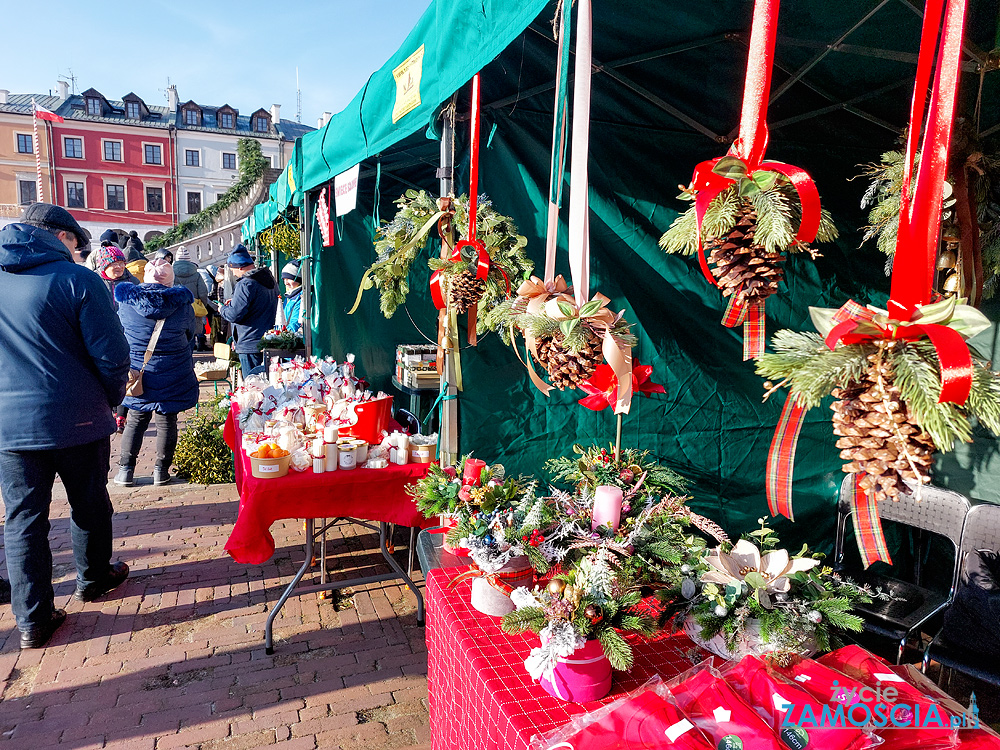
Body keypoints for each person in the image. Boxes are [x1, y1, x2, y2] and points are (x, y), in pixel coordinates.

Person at [0, 203, 130, 649]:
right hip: (76, 416)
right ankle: (92, 579)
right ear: (61, 237)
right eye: (76, 240)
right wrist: (111, 400)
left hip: (10, 426)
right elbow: (112, 356)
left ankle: (32, 620)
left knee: (22, 521)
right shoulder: (78, 279)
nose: (78, 249)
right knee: (89, 503)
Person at [113, 259, 198, 487]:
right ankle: (161, 471)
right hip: (173, 370)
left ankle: (125, 471)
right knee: (167, 420)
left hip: (138, 372)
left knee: (136, 419)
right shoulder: (183, 305)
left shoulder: (127, 304)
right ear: (170, 280)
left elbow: (120, 334)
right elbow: (191, 334)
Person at [219, 245, 278, 377]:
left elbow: (234, 315)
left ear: (240, 267)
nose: (233, 273)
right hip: (266, 339)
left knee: (253, 386)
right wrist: (234, 303)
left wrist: (222, 309)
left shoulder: (245, 284)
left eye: (233, 269)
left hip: (249, 341)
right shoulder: (270, 280)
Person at [173, 246, 218, 351]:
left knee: (179, 335)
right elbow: (203, 293)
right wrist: (203, 304)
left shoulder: (171, 272)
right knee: (192, 334)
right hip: (193, 308)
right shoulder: (196, 274)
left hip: (176, 308)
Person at [93, 244, 139, 310]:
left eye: (121, 263)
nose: (119, 267)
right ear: (104, 266)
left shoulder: (132, 281)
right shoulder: (94, 281)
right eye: (115, 264)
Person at [280, 260, 303, 334]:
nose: (286, 283)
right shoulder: (289, 297)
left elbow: (296, 323)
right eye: (284, 279)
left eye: (289, 279)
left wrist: (284, 335)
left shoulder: (302, 297)